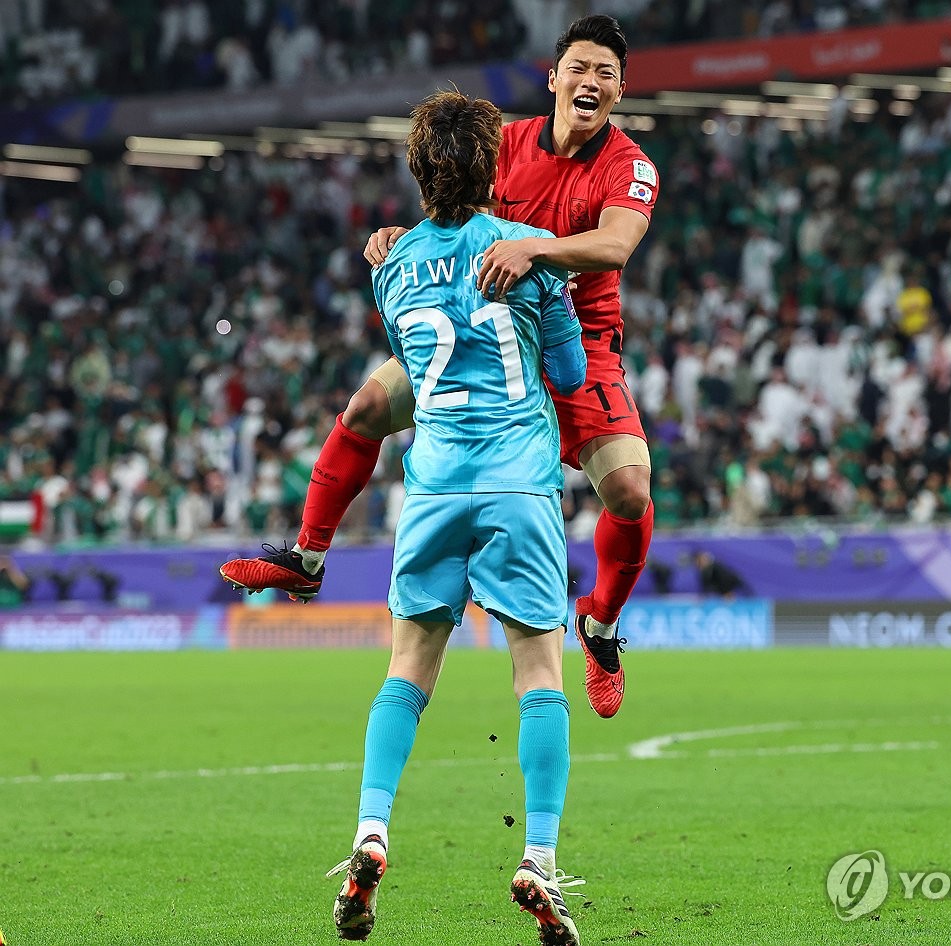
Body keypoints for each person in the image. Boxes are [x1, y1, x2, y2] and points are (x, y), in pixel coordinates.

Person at [222, 14, 658, 719]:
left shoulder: (628, 166)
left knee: (632, 493)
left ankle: (601, 626)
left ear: (619, 91)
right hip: (486, 335)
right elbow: (452, 211)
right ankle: (305, 560)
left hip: (576, 338)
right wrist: (403, 234)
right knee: (364, 408)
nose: (591, 82)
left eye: (605, 74)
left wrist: (536, 251)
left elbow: (615, 246)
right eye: (579, 68)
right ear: (554, 78)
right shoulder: (506, 143)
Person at [322, 90, 586, 944]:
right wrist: (558, 283)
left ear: (415, 169)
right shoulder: (530, 255)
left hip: (432, 485)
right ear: (495, 165)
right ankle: (538, 857)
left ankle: (370, 832)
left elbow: (411, 365)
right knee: (539, 675)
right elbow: (573, 373)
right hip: (518, 483)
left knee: (408, 669)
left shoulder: (389, 266)